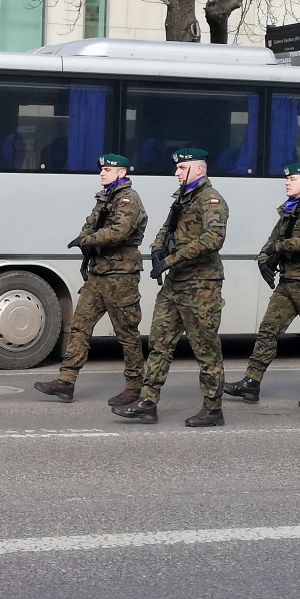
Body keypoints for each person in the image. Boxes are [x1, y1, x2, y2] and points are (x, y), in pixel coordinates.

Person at [112, 148, 229, 426]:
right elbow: (166, 229)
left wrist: (171, 259)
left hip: (201, 286)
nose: (176, 172)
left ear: (198, 170)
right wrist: (156, 251)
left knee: (205, 348)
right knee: (159, 344)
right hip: (175, 284)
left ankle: (213, 409)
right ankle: (148, 401)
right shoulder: (181, 200)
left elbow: (214, 238)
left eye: (182, 168)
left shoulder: (210, 200)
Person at [34, 153, 147, 405]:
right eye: (102, 169)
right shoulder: (105, 198)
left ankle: (134, 387)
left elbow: (119, 232)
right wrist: (85, 238)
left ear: (122, 173)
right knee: (80, 326)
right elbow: (90, 225)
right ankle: (66, 382)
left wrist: (87, 240)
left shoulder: (129, 199)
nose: (102, 173)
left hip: (120, 275)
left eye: (108, 169)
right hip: (98, 273)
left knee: (127, 333)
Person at [223, 162, 300, 408]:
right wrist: (264, 260)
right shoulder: (288, 212)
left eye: (292, 179)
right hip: (287, 283)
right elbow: (272, 241)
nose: (287, 182)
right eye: (287, 179)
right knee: (268, 332)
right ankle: (251, 383)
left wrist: (280, 248)